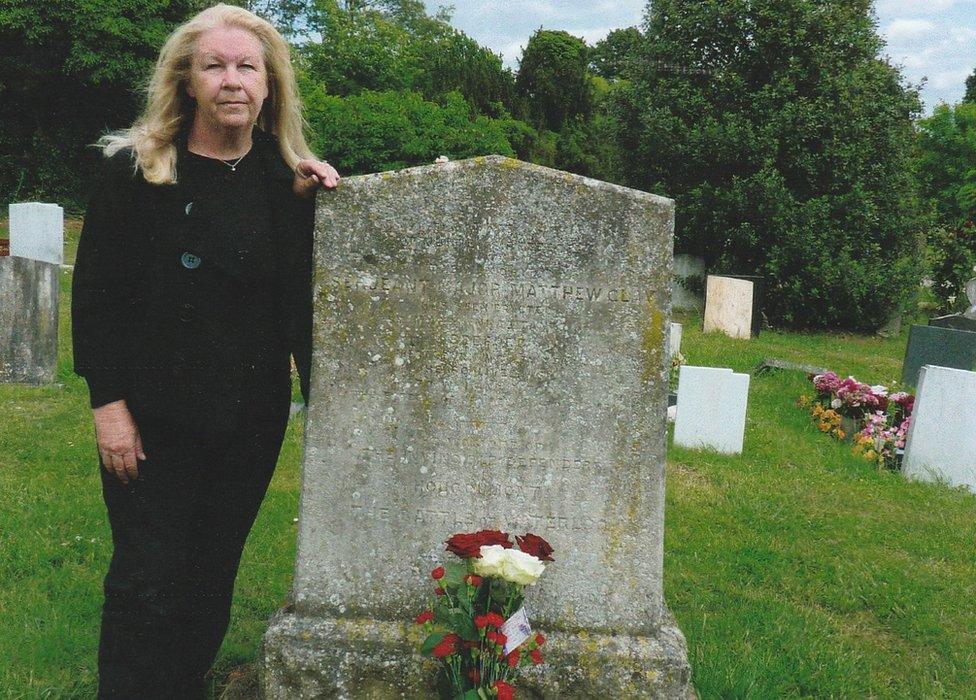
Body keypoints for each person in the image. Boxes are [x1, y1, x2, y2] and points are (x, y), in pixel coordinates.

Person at [70, 5, 339, 697]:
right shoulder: (138, 170)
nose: (231, 81)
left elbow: (300, 307)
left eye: (247, 67)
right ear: (186, 81)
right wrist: (108, 405)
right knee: (147, 578)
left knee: (210, 576)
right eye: (213, 66)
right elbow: (96, 298)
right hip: (152, 417)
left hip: (247, 419)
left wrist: (317, 204)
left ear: (270, 85)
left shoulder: (288, 185)